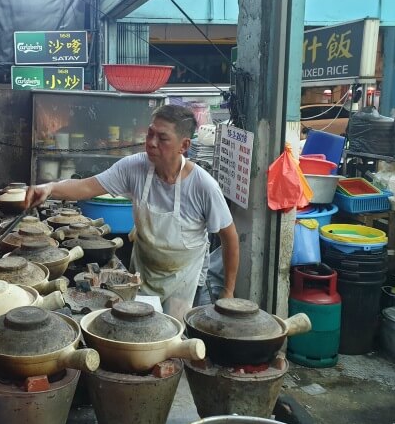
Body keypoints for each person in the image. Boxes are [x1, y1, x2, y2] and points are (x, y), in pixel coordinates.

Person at [25, 104, 239, 321]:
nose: (152, 143)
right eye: (150, 133)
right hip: (143, 273)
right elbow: (86, 187)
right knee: (139, 329)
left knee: (175, 335)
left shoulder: (203, 186)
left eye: (162, 138)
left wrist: (228, 292)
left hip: (183, 279)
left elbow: (229, 237)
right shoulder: (134, 167)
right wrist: (50, 188)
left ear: (184, 145)